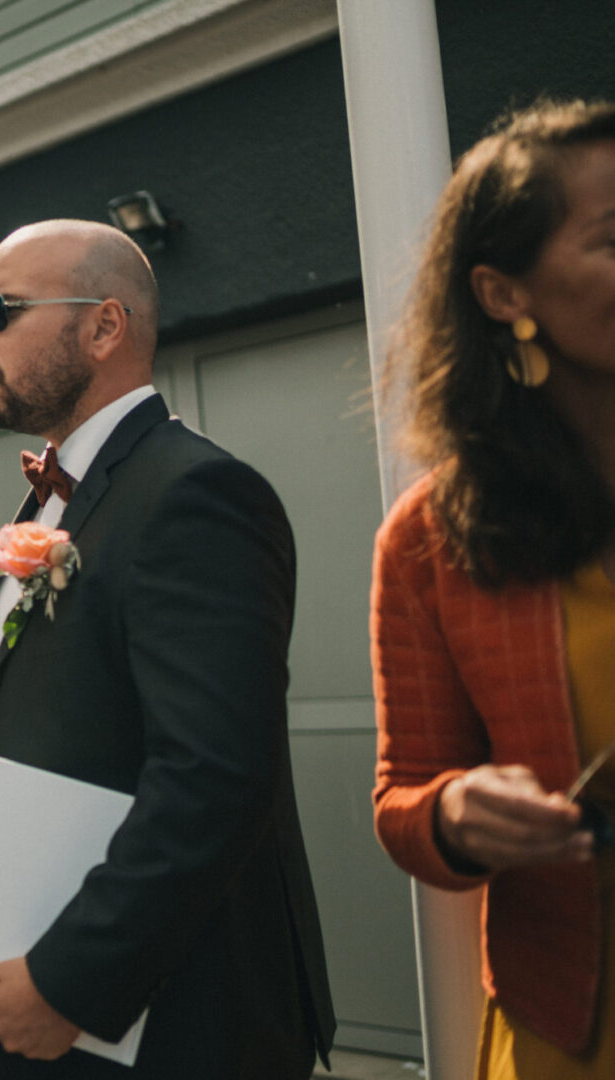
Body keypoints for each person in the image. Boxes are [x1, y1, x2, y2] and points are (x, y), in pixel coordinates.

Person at [0, 220, 335, 1078]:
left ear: (104, 327)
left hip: (172, 1021)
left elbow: (214, 776)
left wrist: (69, 979)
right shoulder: (52, 502)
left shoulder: (195, 494)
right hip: (40, 1009)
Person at [371, 99, 615, 1078]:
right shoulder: (431, 538)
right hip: (577, 1020)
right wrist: (456, 813)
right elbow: (402, 800)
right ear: (501, 291)